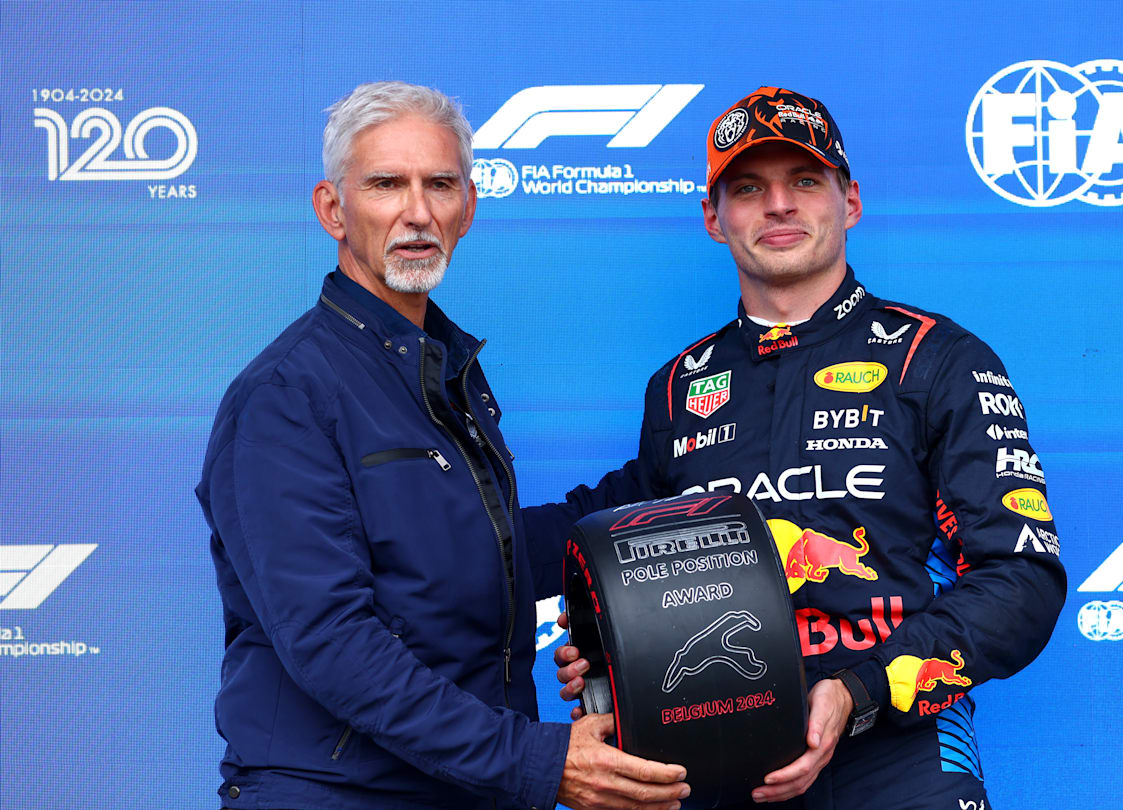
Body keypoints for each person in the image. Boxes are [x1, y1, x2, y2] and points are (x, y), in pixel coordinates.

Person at [536, 87, 1067, 808]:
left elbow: (1022, 579)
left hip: (896, 753)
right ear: (713, 219)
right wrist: (604, 652)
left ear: (849, 201)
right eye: (748, 188)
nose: (778, 205)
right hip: (715, 760)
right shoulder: (677, 389)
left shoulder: (937, 360)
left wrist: (859, 692)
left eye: (805, 181)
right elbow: (618, 544)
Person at [195, 81, 689, 810]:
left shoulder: (442, 369)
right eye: (387, 184)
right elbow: (332, 641)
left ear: (469, 210)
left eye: (440, 185)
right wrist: (536, 760)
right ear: (333, 209)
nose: (417, 212)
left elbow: (479, 550)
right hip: (339, 792)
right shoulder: (286, 394)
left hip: (463, 786)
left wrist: (672, 477)